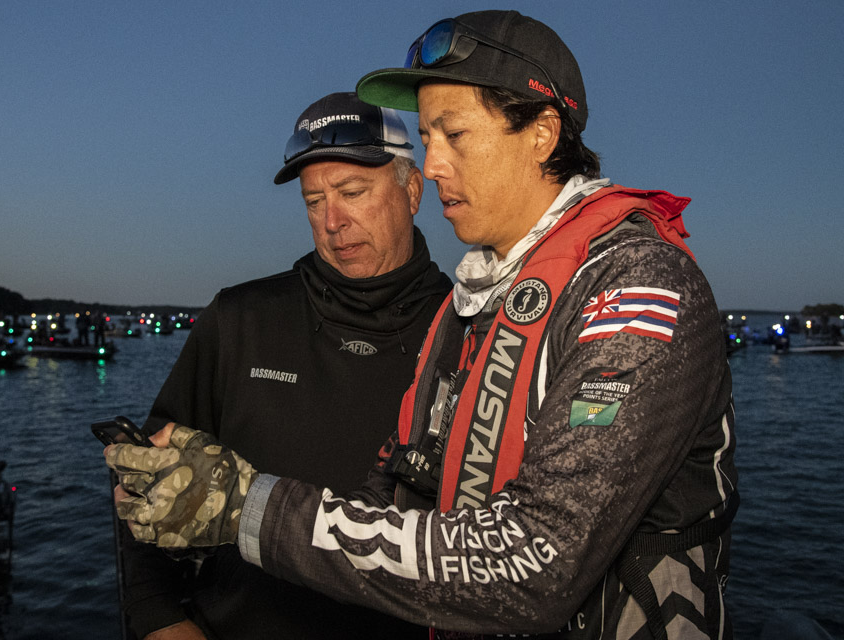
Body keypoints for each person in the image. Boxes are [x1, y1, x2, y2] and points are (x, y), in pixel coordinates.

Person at [107, 13, 738, 640]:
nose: (433, 165)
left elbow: (533, 566)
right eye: (428, 138)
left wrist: (246, 506)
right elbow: (394, 500)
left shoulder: (637, 285)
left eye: (454, 134)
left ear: (542, 133)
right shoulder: (470, 309)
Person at [117, 92, 452, 640]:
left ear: (412, 190)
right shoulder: (239, 319)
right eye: (314, 201)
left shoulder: (469, 333)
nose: (332, 221)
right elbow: (144, 478)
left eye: (352, 192)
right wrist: (160, 620)